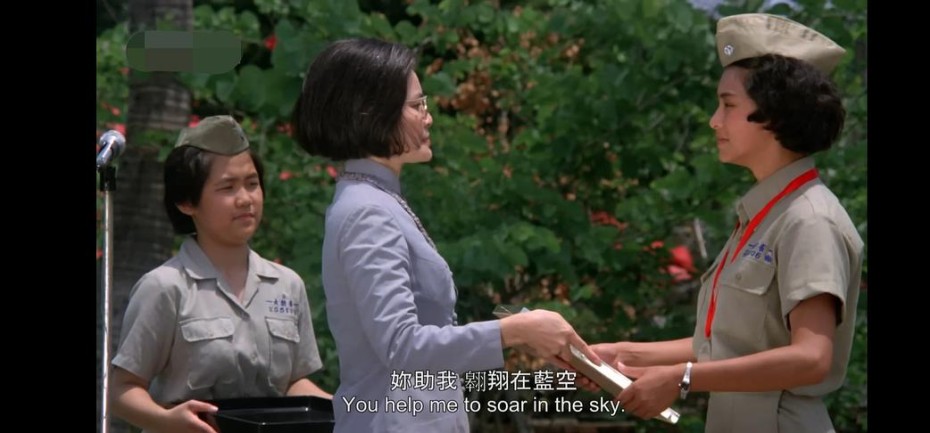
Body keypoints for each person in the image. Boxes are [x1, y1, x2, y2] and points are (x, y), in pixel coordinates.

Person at [292, 38, 601, 433]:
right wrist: (516, 331)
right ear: (371, 113)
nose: (429, 117)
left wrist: (521, 333)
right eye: (417, 105)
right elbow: (401, 346)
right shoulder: (368, 210)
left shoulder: (376, 198)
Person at [581, 13, 865, 433]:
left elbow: (811, 357)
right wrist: (625, 355)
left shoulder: (809, 219)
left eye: (728, 105)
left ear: (776, 114)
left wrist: (683, 378)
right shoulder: (767, 214)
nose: (715, 120)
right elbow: (725, 345)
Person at [110, 115, 332, 433]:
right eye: (227, 187)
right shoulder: (166, 287)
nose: (245, 199)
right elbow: (121, 390)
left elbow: (294, 383)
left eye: (252, 184)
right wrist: (167, 421)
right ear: (187, 202)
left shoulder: (287, 285)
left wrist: (350, 410)